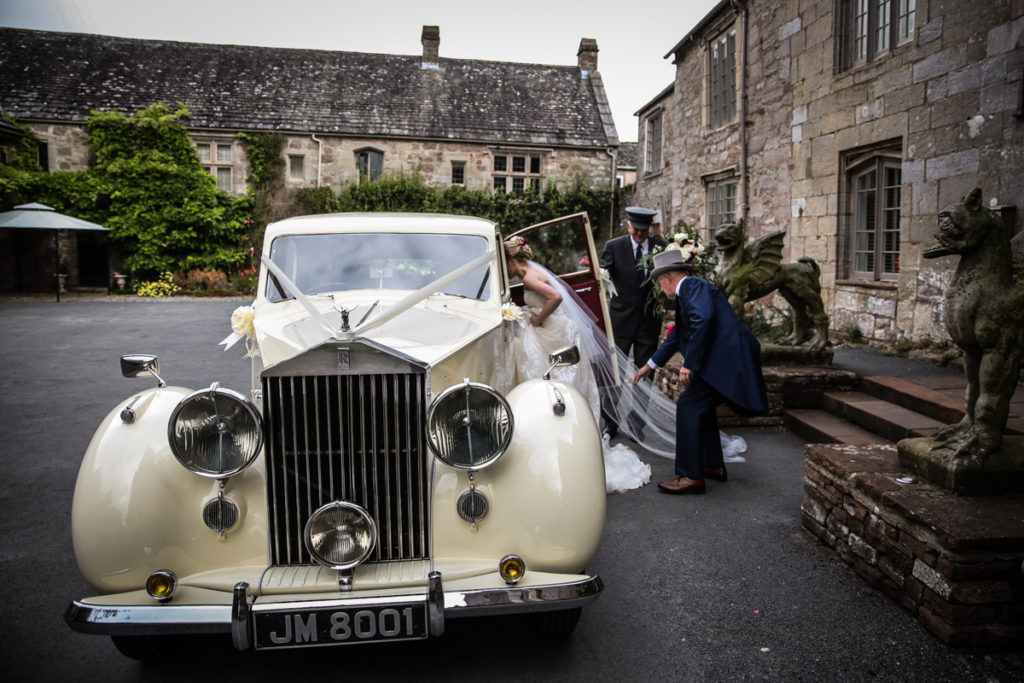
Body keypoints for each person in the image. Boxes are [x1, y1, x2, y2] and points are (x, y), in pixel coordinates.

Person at [504, 236, 651, 493]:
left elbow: (556, 297)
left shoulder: (528, 277)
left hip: (555, 331)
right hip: (560, 330)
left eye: (503, 263)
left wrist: (538, 319)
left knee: (553, 381)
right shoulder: (534, 270)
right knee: (567, 382)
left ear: (512, 260)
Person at [633, 249, 768, 495]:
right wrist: (649, 366)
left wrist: (690, 363)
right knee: (700, 409)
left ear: (668, 279)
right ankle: (712, 465)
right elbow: (677, 336)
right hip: (721, 359)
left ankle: (690, 476)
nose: (661, 291)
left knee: (688, 407)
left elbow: (702, 320)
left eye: (660, 285)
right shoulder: (690, 292)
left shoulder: (691, 286)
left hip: (726, 359)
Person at [599, 207, 666, 437]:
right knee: (613, 375)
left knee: (646, 375)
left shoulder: (660, 247)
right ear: (628, 226)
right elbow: (602, 277)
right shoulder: (614, 246)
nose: (639, 234)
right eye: (636, 229)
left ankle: (638, 425)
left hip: (649, 323)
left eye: (644, 230)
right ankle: (610, 423)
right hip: (620, 322)